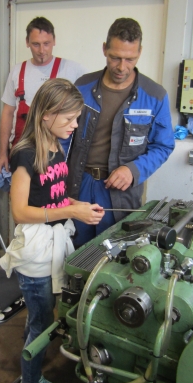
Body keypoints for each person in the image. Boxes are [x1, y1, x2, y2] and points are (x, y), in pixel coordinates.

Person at [0, 78, 105, 383]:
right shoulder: (25, 153)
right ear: (46, 115)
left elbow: (52, 198)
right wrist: (69, 212)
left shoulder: (56, 146)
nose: (75, 125)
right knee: (40, 326)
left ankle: (35, 380)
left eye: (76, 118)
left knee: (44, 321)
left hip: (54, 243)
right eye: (69, 118)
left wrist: (76, 205)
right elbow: (20, 211)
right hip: (35, 252)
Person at [67, 18, 175, 247]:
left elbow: (163, 145)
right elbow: (63, 139)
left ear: (140, 52)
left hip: (120, 192)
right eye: (115, 57)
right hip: (79, 184)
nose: (122, 66)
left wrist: (134, 170)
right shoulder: (82, 87)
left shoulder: (155, 96)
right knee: (74, 251)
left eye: (130, 59)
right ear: (104, 49)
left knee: (117, 252)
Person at [0, 16, 86, 174]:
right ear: (27, 42)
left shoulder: (73, 70)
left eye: (46, 43)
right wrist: (3, 153)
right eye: (36, 44)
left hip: (56, 155)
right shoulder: (17, 71)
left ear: (54, 41)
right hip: (21, 152)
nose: (42, 50)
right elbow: (8, 113)